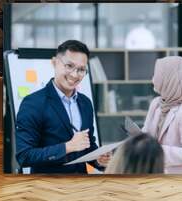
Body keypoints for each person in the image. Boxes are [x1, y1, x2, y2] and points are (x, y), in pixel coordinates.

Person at [15, 40, 110, 173]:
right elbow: (24, 156)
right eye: (69, 66)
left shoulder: (85, 103)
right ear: (55, 63)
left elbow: (87, 145)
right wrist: (67, 147)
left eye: (81, 70)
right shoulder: (33, 103)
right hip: (48, 188)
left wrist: (98, 159)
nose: (74, 74)